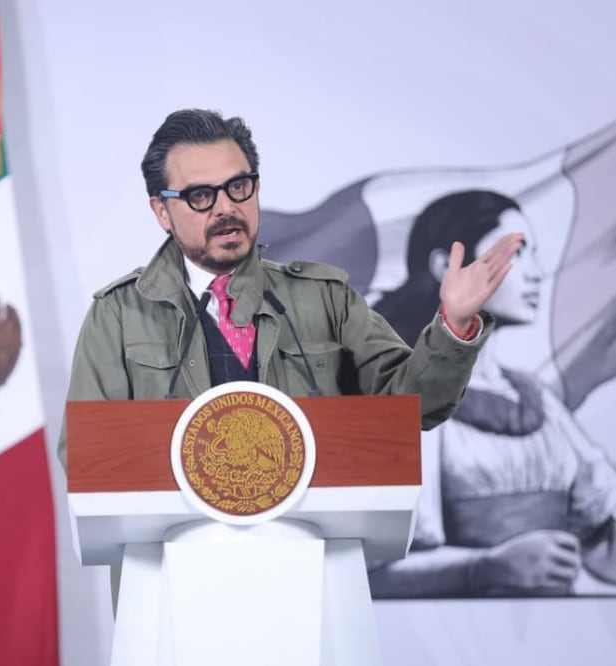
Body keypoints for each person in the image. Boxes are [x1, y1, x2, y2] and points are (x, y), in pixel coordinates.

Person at [58, 109, 525, 466]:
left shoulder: (325, 297)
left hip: (310, 563)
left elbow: (411, 407)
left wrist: (454, 325)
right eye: (201, 196)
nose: (226, 208)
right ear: (162, 212)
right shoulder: (118, 314)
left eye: (238, 186)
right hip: (175, 574)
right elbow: (87, 457)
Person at [367, 190, 616, 597]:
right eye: (517, 252)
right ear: (448, 267)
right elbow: (373, 570)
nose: (537, 272)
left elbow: (600, 539)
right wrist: (486, 568)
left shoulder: (535, 398)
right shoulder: (402, 397)